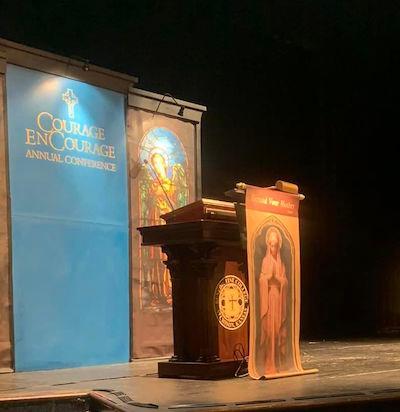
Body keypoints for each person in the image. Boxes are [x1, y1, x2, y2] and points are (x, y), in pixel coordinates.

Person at [259, 226, 288, 374]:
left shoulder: (281, 263)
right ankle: (269, 362)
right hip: (269, 297)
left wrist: (279, 279)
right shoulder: (265, 261)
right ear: (268, 245)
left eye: (275, 245)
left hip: (278, 298)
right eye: (271, 245)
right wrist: (268, 278)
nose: (273, 248)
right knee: (270, 331)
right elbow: (261, 279)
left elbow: (285, 281)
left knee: (277, 331)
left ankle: (277, 362)